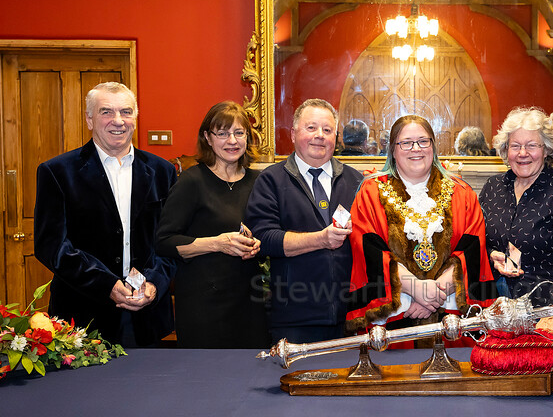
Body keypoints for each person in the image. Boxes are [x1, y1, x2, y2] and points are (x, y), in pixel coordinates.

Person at [34, 82, 177, 347]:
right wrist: (106, 284)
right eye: (106, 112)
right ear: (89, 119)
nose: (118, 121)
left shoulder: (163, 172)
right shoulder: (57, 172)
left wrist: (155, 284)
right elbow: (50, 245)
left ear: (136, 117)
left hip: (146, 316)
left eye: (126, 111)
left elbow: (169, 241)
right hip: (81, 318)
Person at [346, 115, 497, 333]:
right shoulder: (370, 193)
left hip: (453, 320)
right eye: (406, 142)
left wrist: (435, 295)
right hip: (394, 322)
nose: (416, 148)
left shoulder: (462, 192)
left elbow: (473, 247)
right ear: (393, 150)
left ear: (433, 147)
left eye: (423, 141)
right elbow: (367, 249)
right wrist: (415, 290)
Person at [245, 99, 363, 344]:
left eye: (327, 130)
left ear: (336, 138)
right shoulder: (271, 180)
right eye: (311, 128)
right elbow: (263, 239)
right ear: (293, 133)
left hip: (350, 317)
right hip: (293, 317)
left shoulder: (356, 181)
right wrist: (321, 239)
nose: (319, 136)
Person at [156, 102, 268, 348]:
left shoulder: (259, 181)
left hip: (250, 302)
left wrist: (259, 241)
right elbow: (164, 242)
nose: (232, 140)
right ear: (207, 137)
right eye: (222, 133)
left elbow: (268, 230)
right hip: (203, 305)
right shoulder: (191, 181)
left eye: (239, 133)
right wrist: (218, 243)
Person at [479, 108, 553, 340]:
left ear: (546, 149)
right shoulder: (493, 187)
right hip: (498, 308)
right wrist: (492, 256)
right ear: (504, 150)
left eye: (532, 145)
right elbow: (480, 241)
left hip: (547, 310)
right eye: (515, 145)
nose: (522, 153)